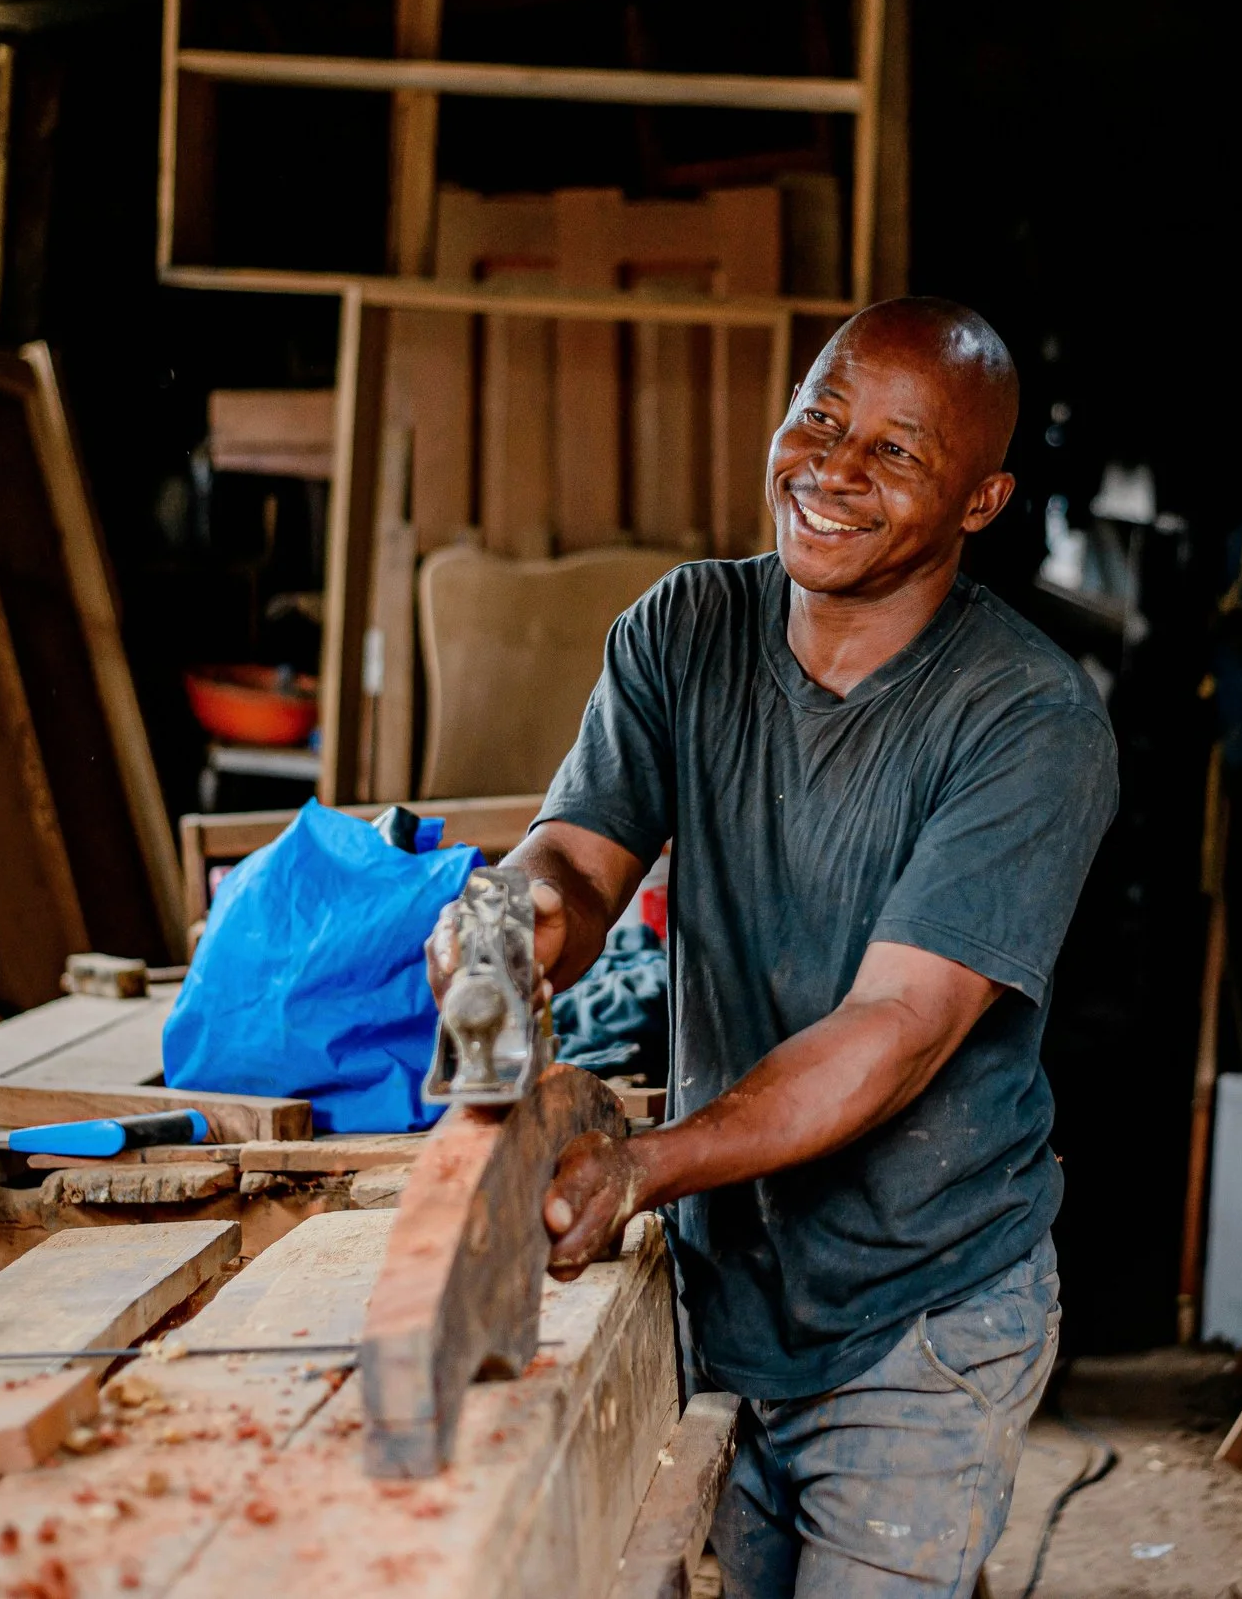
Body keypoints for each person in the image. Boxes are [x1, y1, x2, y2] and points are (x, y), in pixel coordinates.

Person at [429, 296, 1118, 1598]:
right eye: (821, 416)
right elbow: (576, 856)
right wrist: (503, 926)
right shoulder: (685, 628)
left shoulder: (1030, 721)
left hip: (923, 1312)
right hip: (724, 1289)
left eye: (898, 453)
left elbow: (893, 1036)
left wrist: (639, 1166)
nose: (834, 470)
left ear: (981, 504)